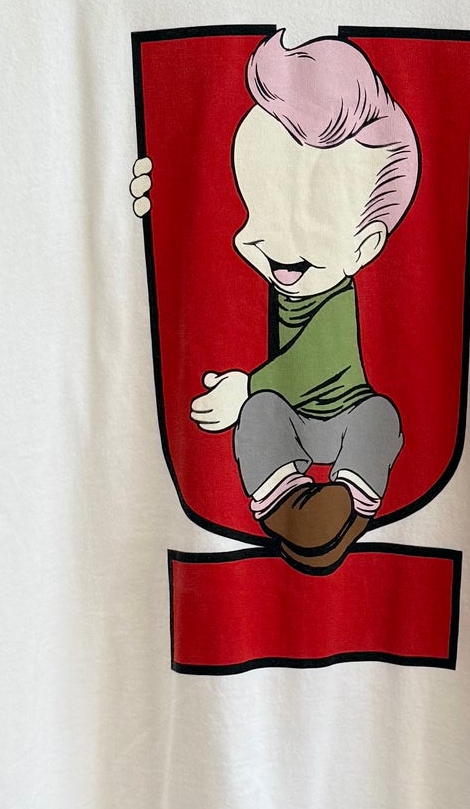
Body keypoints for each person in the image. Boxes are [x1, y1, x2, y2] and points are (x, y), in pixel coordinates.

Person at [130, 31, 419, 574]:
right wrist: (163, 205)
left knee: (378, 417)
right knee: (261, 415)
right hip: (292, 419)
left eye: (313, 221)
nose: (269, 239)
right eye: (257, 210)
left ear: (366, 247)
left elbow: (314, 360)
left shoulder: (337, 301)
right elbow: (204, 242)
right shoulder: (281, 278)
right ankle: (289, 502)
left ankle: (348, 501)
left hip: (346, 413)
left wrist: (246, 386)